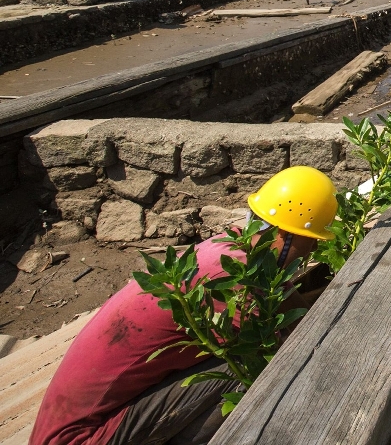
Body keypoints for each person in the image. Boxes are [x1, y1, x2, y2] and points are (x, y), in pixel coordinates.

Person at [31, 166, 339, 445]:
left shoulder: (240, 248)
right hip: (83, 437)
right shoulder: (233, 283)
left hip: (100, 416)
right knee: (258, 365)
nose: (313, 249)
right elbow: (298, 340)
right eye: (310, 240)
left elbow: (290, 304)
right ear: (286, 234)